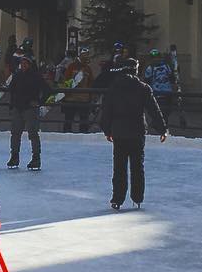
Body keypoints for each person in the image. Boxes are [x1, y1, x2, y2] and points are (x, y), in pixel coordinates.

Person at [100, 57, 168, 210]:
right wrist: (162, 129)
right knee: (137, 166)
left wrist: (107, 130)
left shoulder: (114, 88)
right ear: (136, 70)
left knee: (119, 167)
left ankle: (117, 199)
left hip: (119, 132)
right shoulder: (143, 88)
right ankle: (137, 198)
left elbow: (107, 111)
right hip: (137, 131)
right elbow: (154, 110)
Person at [7, 53, 43, 171]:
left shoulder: (36, 77)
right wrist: (12, 104)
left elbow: (48, 90)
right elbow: (11, 89)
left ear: (30, 64)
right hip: (18, 108)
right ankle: (14, 157)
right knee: (15, 134)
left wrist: (39, 102)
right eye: (21, 63)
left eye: (25, 63)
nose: (23, 65)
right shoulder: (17, 76)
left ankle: (36, 158)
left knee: (33, 134)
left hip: (30, 109)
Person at [61, 50, 95, 133]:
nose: (85, 58)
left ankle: (80, 134)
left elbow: (91, 83)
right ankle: (69, 134)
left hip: (82, 98)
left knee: (81, 119)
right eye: (84, 56)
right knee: (70, 119)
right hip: (73, 98)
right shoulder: (73, 67)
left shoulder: (87, 68)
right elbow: (66, 80)